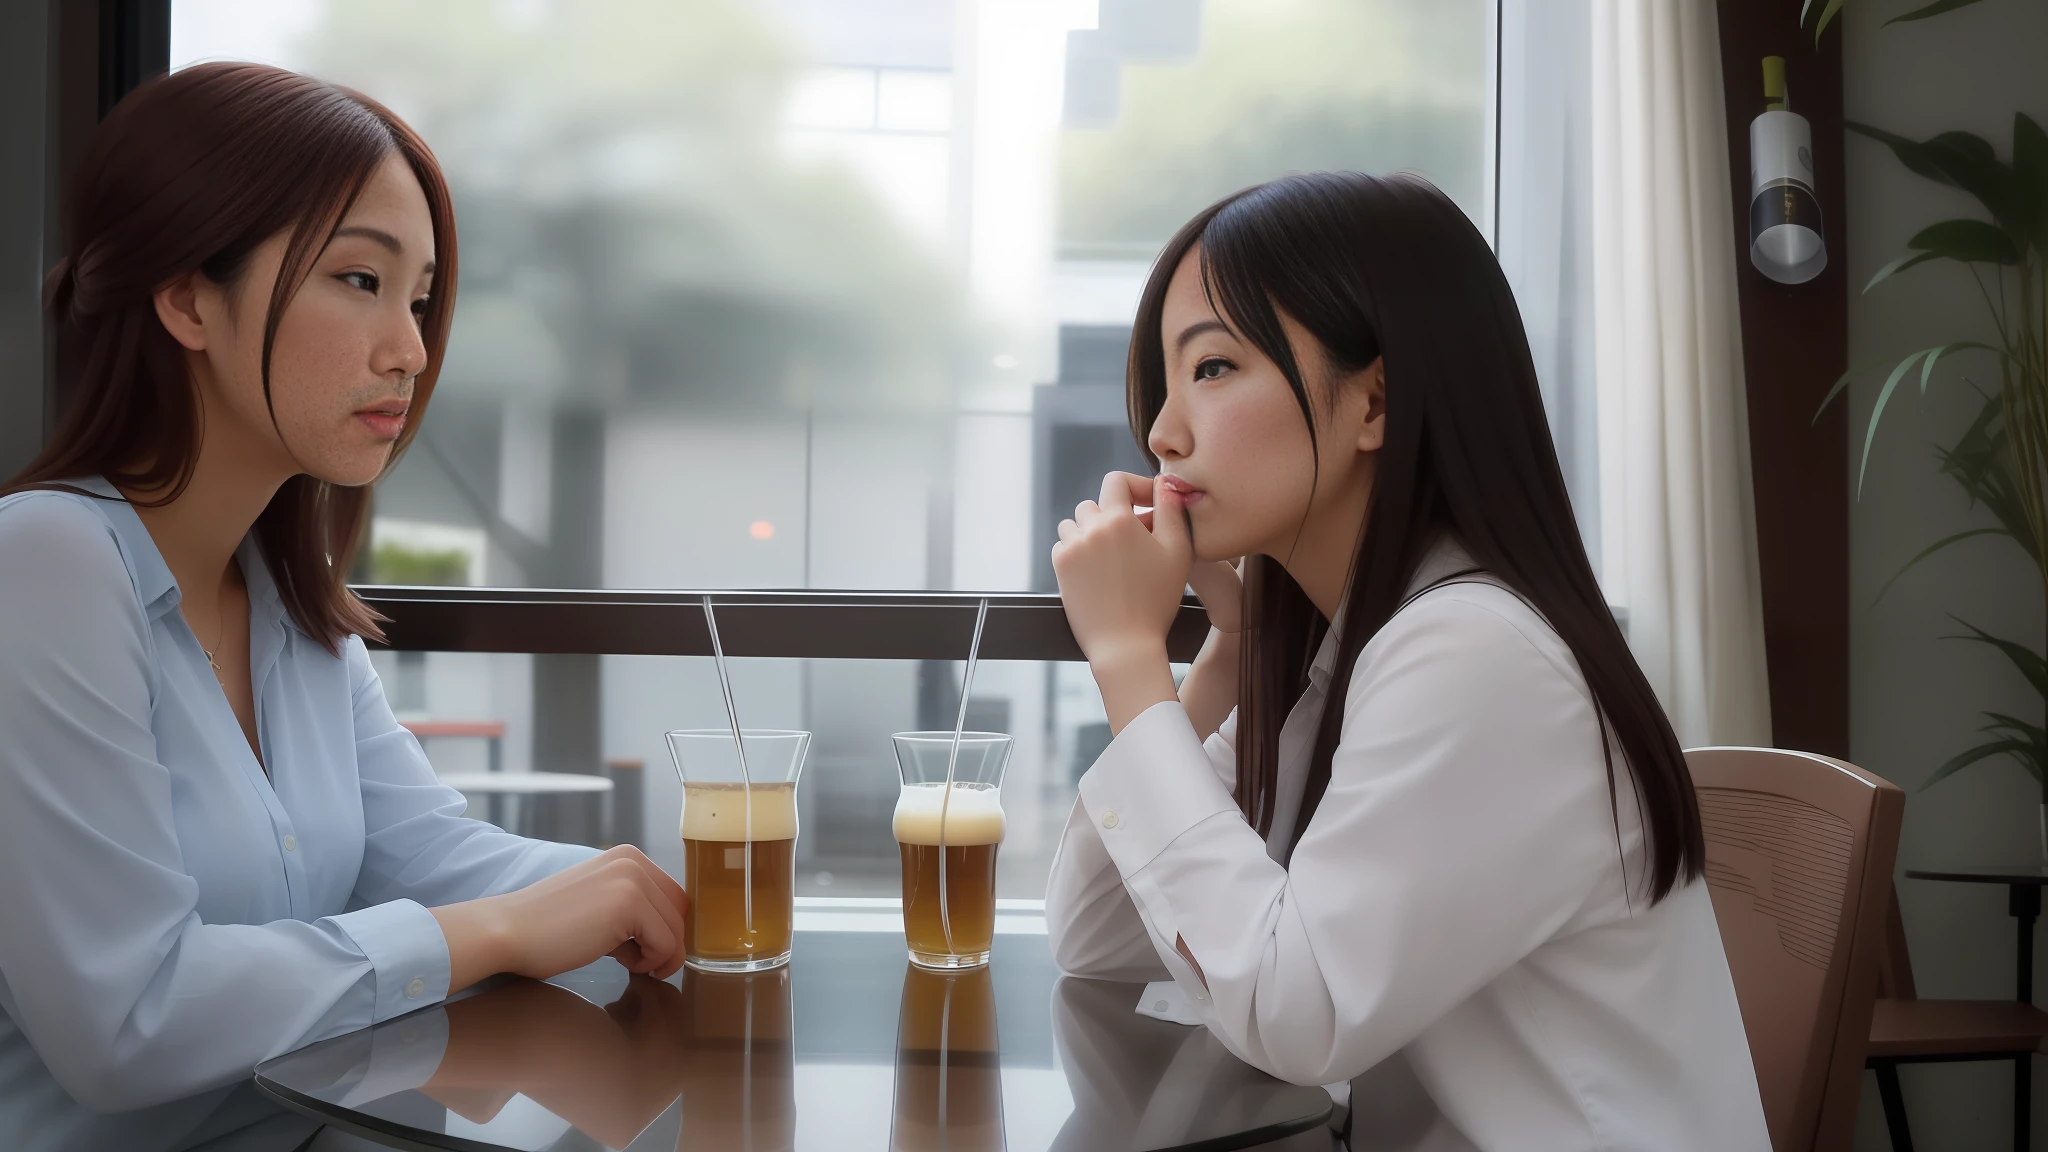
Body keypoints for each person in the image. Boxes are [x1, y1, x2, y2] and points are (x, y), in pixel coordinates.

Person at [0, 62, 691, 1132]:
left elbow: (428, 853)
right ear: (186, 295)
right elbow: (128, 1019)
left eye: (418, 299)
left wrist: (663, 894)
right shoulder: (44, 563)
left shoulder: (287, 602)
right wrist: (499, 932)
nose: (410, 350)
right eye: (361, 282)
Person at [1043, 172, 1769, 1151]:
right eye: (1162, 388)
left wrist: (1128, 655)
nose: (1162, 433)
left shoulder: (1476, 654)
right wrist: (1225, 652)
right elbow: (1098, 941)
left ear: (1374, 399)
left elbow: (1293, 1016)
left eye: (1209, 369)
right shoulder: (1360, 645)